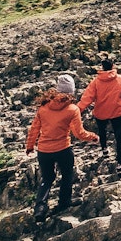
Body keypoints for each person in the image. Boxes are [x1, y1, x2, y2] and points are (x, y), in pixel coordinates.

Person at [26, 74, 99, 222]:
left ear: (57, 90)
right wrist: (93, 137)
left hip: (44, 150)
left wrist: (30, 145)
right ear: (71, 91)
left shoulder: (44, 107)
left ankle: (40, 208)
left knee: (47, 178)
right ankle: (64, 203)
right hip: (63, 149)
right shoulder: (72, 109)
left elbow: (34, 128)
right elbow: (79, 133)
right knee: (67, 175)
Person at [78, 58, 121, 172]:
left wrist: (77, 110)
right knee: (119, 137)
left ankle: (104, 149)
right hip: (118, 111)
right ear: (113, 66)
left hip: (101, 112)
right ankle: (120, 164)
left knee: (102, 131)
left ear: (102, 67)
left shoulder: (96, 81)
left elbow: (87, 97)